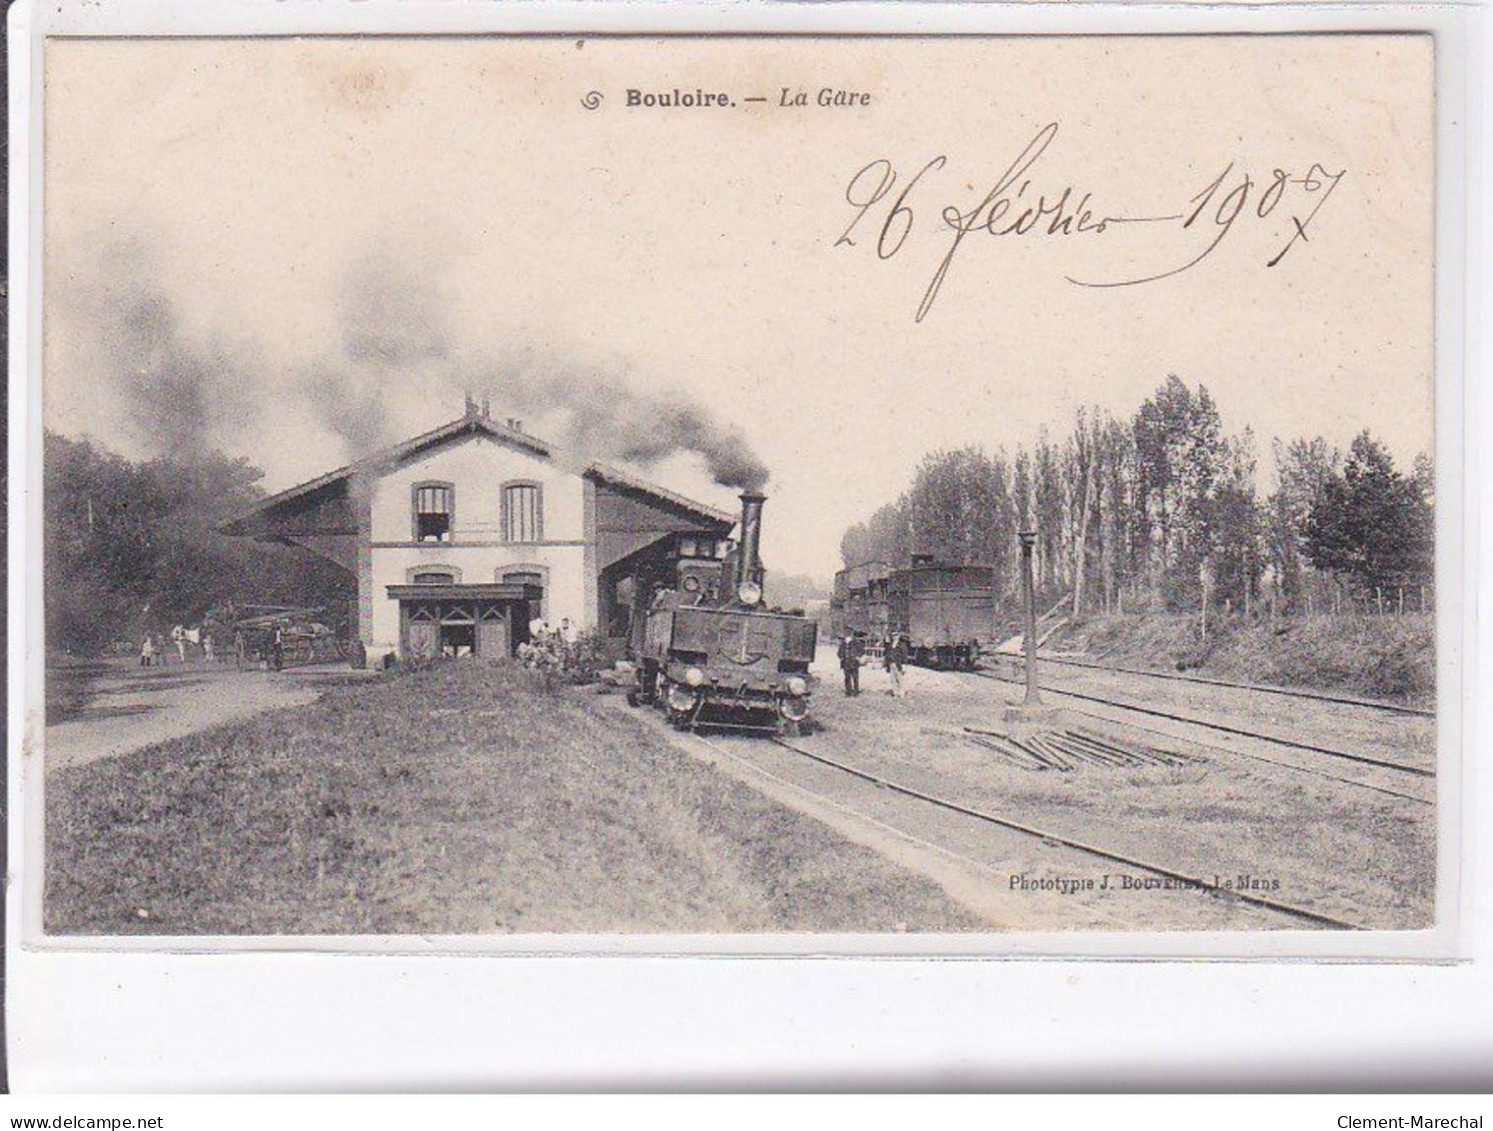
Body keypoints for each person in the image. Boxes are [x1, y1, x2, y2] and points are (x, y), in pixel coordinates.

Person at [837, 633, 862, 697]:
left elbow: (862, 650)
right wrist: (841, 657)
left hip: (854, 662)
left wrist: (858, 656)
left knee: (855, 677)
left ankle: (856, 691)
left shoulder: (856, 643)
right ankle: (848, 691)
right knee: (847, 677)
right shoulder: (843, 644)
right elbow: (839, 652)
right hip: (846, 662)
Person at [886, 634, 908, 698]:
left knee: (900, 679)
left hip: (898, 664)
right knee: (893, 679)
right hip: (891, 663)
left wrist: (904, 665)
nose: (894, 637)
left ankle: (901, 693)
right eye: (893, 635)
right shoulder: (890, 644)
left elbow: (904, 655)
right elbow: (888, 653)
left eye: (896, 635)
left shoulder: (902, 645)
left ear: (898, 636)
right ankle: (895, 692)